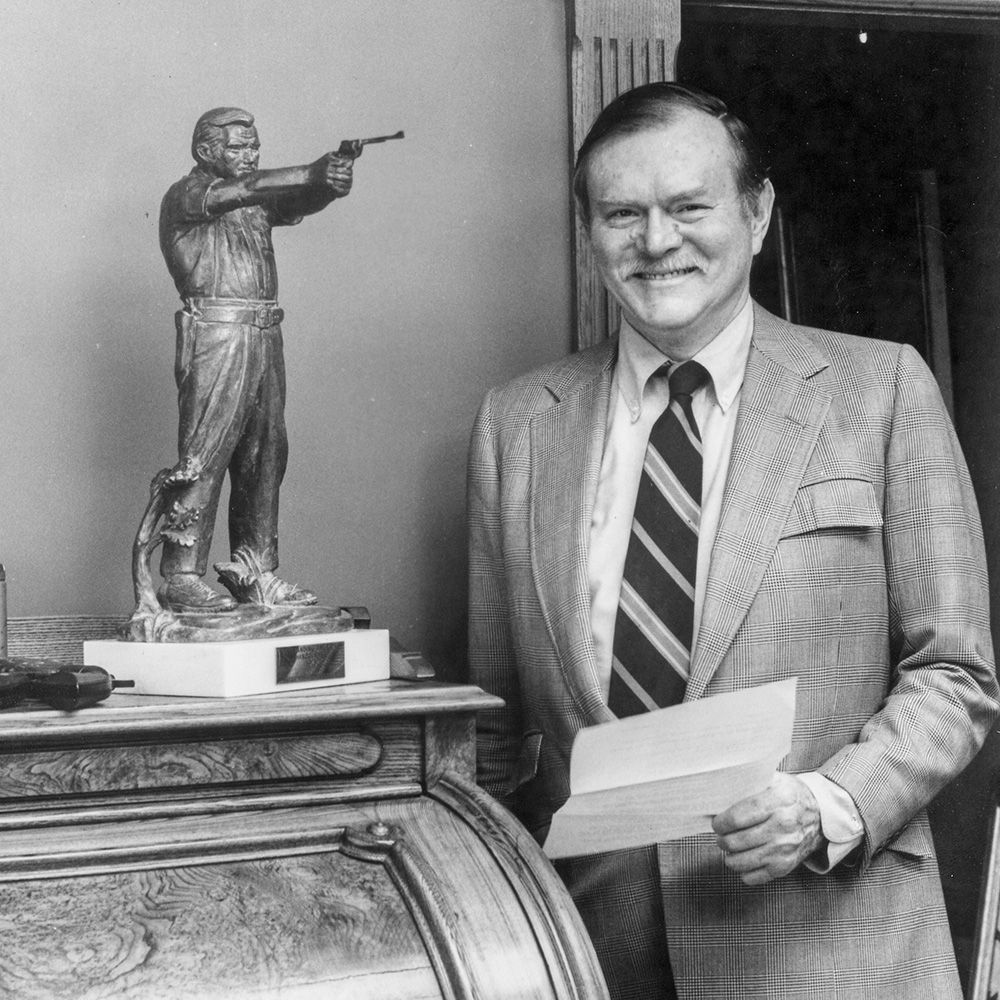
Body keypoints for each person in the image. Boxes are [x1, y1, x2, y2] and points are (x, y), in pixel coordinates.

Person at [467, 82, 999, 1000]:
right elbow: (496, 729)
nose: (657, 241)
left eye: (688, 207)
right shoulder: (516, 425)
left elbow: (956, 672)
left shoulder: (880, 393)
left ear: (757, 215)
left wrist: (829, 806)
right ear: (591, 233)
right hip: (592, 955)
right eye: (623, 214)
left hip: (832, 949)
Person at [157, 107, 358, 613]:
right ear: (206, 152)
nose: (249, 156)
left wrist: (328, 183)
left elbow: (293, 200)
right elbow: (249, 189)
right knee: (205, 453)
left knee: (266, 453)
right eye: (238, 148)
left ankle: (256, 570)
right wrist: (309, 172)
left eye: (254, 147)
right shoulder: (191, 195)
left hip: (265, 332)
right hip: (217, 334)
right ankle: (180, 576)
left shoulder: (249, 199)